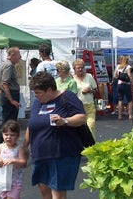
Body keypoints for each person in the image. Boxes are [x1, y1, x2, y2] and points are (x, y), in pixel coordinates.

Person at [23, 71, 86, 199]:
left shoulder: (67, 97)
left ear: (50, 90)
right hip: (40, 154)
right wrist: (24, 146)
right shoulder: (37, 103)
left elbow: (82, 117)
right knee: (44, 191)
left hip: (61, 153)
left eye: (38, 93)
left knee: (58, 193)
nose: (36, 96)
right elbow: (32, 125)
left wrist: (65, 121)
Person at [0, 120, 28, 199]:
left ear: (17, 136)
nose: (8, 137)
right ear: (2, 135)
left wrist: (14, 161)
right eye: (6, 134)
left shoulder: (19, 149)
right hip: (3, 180)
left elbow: (24, 163)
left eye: (12, 135)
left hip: (15, 181)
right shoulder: (0, 147)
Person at [0, 47, 22, 122]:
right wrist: (11, 100)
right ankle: (6, 133)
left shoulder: (3, 64)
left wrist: (0, 90)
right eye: (19, 54)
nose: (20, 57)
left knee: (7, 119)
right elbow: (5, 83)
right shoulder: (9, 65)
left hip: (7, 94)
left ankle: (5, 133)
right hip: (11, 94)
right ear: (13, 55)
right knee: (10, 121)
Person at [72, 59, 97, 137]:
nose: (80, 69)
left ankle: (91, 145)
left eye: (82, 67)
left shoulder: (89, 76)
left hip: (89, 106)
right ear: (74, 69)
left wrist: (89, 90)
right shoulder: (72, 79)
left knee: (90, 126)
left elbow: (95, 90)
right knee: (79, 129)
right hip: (77, 107)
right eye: (78, 68)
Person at [115, 56, 133, 120]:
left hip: (119, 84)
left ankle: (119, 115)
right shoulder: (128, 67)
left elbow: (115, 75)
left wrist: (121, 78)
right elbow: (129, 75)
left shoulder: (118, 66)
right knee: (130, 100)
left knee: (120, 100)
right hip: (126, 85)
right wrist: (132, 83)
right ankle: (130, 115)